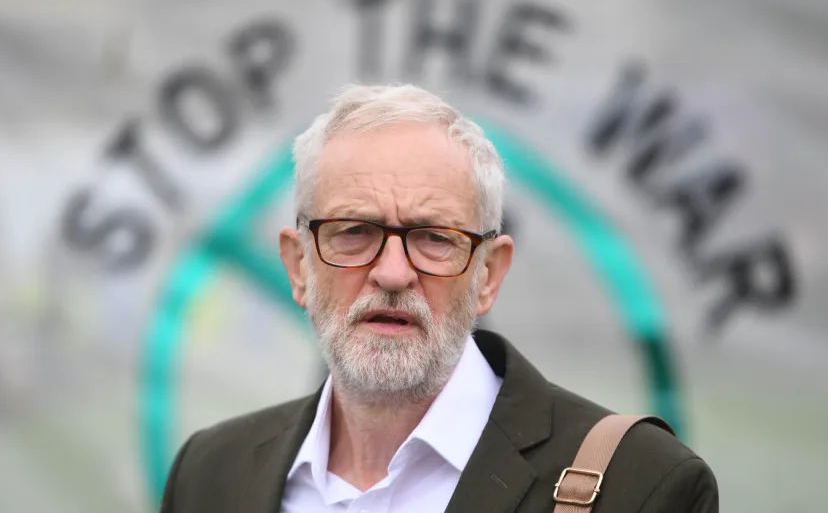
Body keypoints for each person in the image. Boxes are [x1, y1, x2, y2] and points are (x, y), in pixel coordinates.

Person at [159, 84, 718, 513]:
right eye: (354, 232)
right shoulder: (209, 475)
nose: (392, 273)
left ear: (488, 274)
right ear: (298, 265)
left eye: (434, 238)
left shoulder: (643, 486)